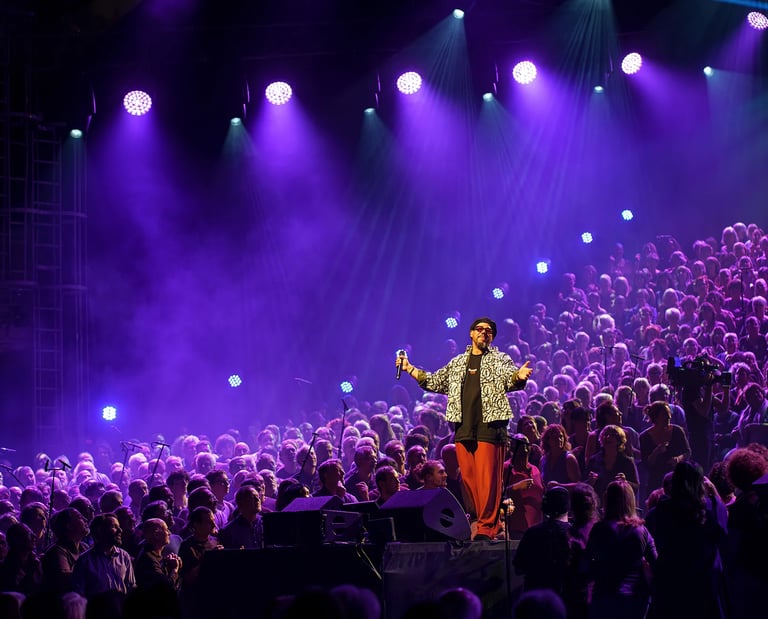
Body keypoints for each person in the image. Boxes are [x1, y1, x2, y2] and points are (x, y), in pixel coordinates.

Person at [399, 317, 532, 540]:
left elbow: (511, 379)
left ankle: (488, 530)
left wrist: (518, 378)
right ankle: (480, 524)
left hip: (490, 429)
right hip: (463, 430)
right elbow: (434, 381)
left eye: (489, 331)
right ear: (471, 334)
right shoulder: (458, 363)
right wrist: (410, 368)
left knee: (488, 480)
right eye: (480, 329)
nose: (484, 333)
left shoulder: (500, 360)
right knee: (470, 482)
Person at [586, 480, 657, 619]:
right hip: (634, 599)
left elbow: (587, 562)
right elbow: (656, 563)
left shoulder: (599, 529)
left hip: (604, 596)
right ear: (631, 502)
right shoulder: (641, 531)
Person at [71, 513, 135, 598]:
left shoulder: (124, 556)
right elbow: (78, 594)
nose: (120, 530)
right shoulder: (85, 560)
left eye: (119, 526)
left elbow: (131, 586)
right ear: (100, 531)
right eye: (114, 527)